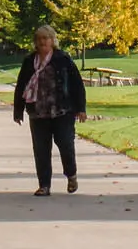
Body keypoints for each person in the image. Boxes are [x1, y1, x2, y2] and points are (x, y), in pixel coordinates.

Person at [12, 26, 87, 196]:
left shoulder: (63, 59)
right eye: (39, 39)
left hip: (62, 111)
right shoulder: (30, 61)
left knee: (66, 144)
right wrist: (18, 110)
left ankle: (71, 175)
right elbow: (21, 85)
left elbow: (77, 85)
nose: (42, 42)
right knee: (41, 150)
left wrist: (81, 108)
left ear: (53, 41)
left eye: (46, 38)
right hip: (38, 113)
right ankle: (44, 185)